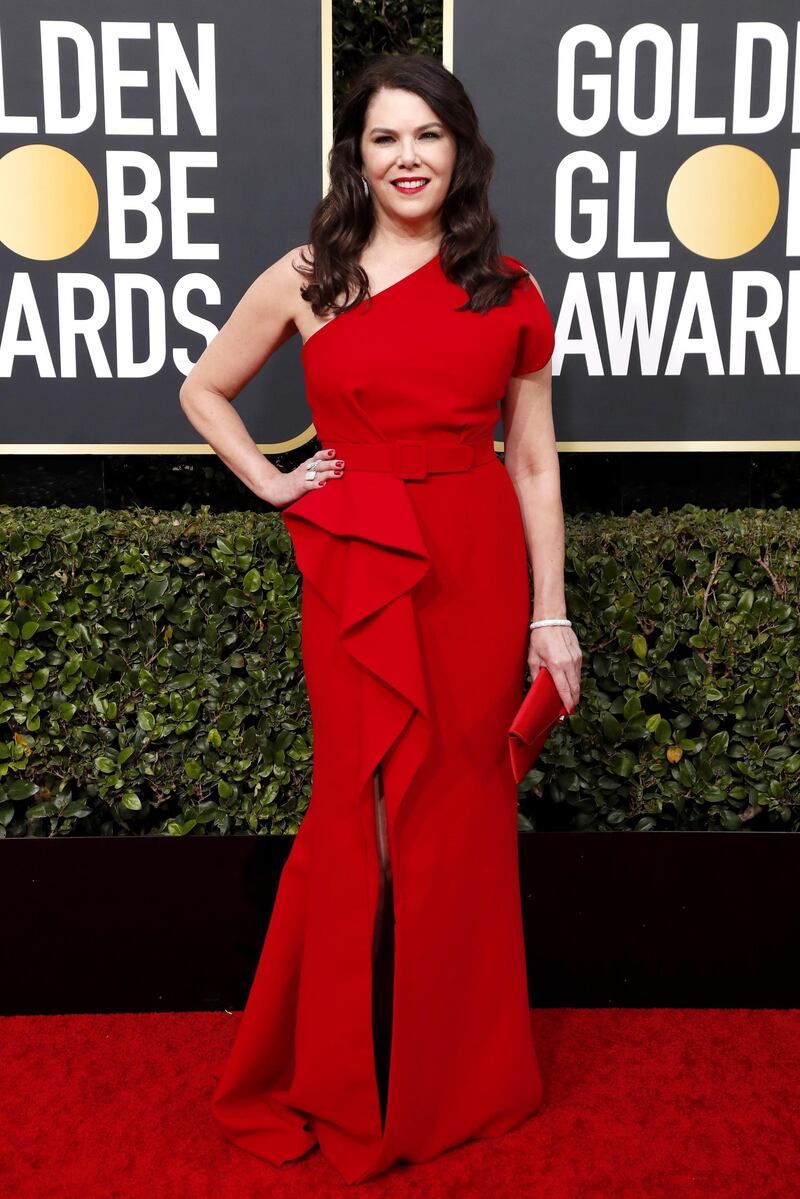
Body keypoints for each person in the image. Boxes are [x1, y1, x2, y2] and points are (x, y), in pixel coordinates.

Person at [179, 51, 582, 1187]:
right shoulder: (312, 274)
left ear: (460, 150)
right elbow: (203, 386)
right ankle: (333, 1068)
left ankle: (457, 1077)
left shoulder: (507, 288)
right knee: (356, 811)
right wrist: (271, 479)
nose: (406, 157)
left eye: (427, 136)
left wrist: (549, 616)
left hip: (473, 560)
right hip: (356, 563)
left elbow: (535, 462)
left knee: (457, 811)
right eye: (383, 138)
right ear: (355, 157)